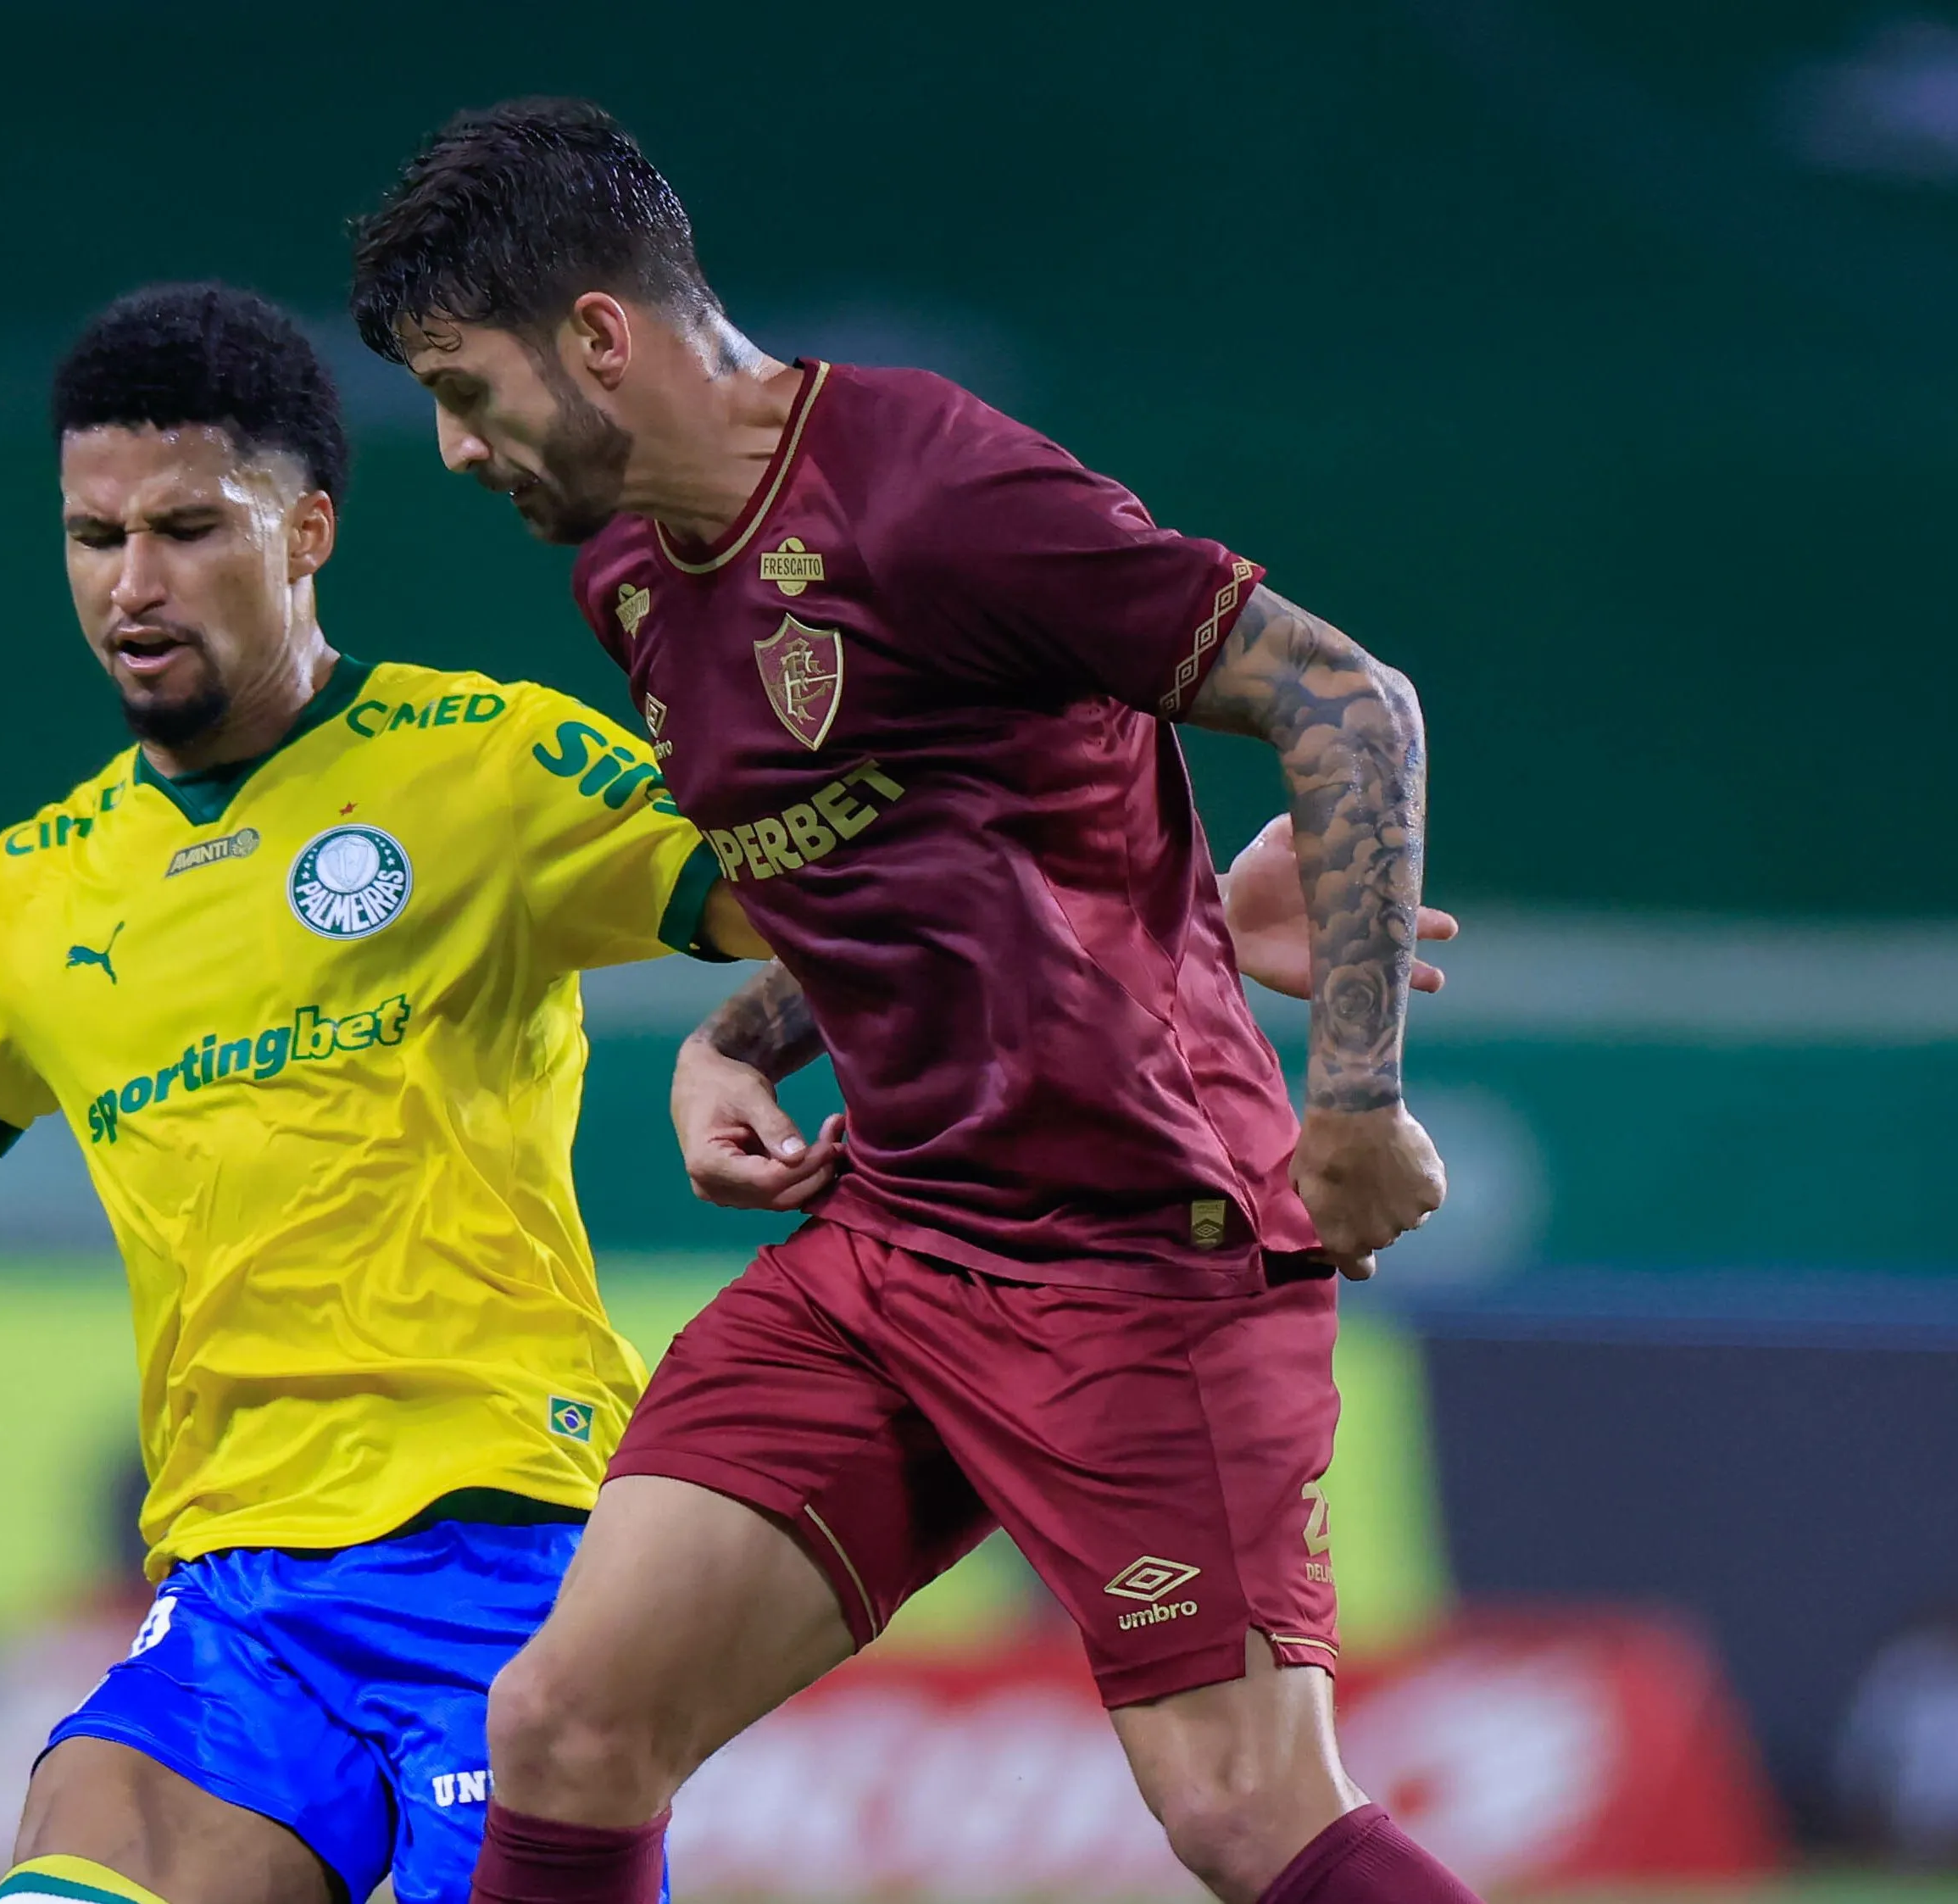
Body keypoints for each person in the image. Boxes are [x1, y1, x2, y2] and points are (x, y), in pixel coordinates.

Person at [0, 284, 1353, 1904]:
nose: (130, 582)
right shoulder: (35, 897)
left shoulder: (490, 765)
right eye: (93, 536)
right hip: (233, 1620)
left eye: (187, 525)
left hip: (520, 1580)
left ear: (307, 533)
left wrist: (1156, 931)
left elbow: (845, 894)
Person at [349, 102, 1477, 1904]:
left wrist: (1352, 1100)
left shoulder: (935, 489)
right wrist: (738, 1038)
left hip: (1138, 1254)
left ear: (597, 337)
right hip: (892, 1250)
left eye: (464, 388)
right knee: (565, 1725)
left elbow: (1352, 703)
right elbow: (885, 842)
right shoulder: (631, 580)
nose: (454, 446)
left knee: (1246, 1811)